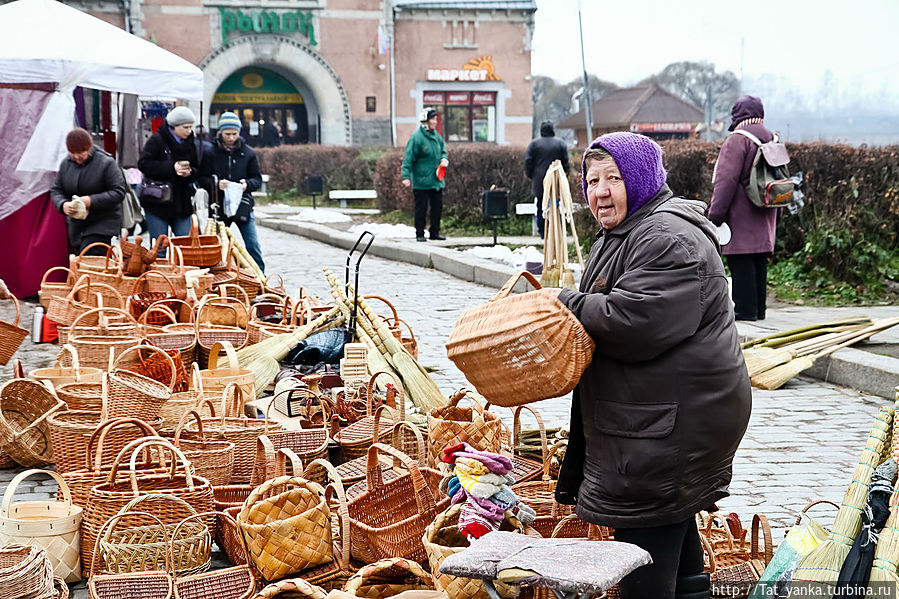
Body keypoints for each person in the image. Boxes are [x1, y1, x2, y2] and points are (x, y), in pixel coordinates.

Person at [550, 132, 751, 599]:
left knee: (645, 538)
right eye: (592, 179)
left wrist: (562, 302)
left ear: (639, 180)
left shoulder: (666, 238)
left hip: (671, 423)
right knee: (671, 522)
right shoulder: (630, 229)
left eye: (614, 178)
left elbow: (632, 322)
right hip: (664, 412)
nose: (599, 191)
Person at [708, 95, 779, 321]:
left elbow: (725, 180)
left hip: (742, 214)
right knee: (759, 259)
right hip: (767, 210)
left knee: (741, 259)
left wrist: (716, 214)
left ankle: (745, 311)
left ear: (738, 114)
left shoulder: (738, 140)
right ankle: (759, 310)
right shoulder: (772, 137)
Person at [200, 112, 265, 272]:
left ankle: (260, 276)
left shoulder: (248, 152)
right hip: (218, 206)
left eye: (234, 134)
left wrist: (246, 185)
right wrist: (215, 184)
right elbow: (201, 178)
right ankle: (217, 276)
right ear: (220, 132)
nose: (231, 137)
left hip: (243, 205)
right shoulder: (210, 151)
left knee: (252, 245)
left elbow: (257, 179)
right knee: (217, 245)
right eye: (227, 134)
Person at [50, 127, 127, 255]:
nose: (77, 157)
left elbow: (118, 192)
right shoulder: (66, 164)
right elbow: (57, 190)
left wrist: (90, 201)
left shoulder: (106, 163)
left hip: (102, 224)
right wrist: (62, 204)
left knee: (90, 260)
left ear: (89, 148)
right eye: (72, 153)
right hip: (77, 226)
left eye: (81, 153)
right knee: (83, 264)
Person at [137, 105, 202, 240]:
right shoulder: (157, 140)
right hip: (157, 202)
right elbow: (144, 164)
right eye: (185, 127)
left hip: (182, 203)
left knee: (185, 245)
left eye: (190, 127)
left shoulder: (191, 143)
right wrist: (171, 168)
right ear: (174, 126)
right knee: (159, 248)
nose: (189, 131)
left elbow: (197, 169)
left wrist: (189, 173)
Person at [401, 108, 449, 242]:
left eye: (435, 119)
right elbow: (408, 158)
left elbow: (443, 151)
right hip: (421, 182)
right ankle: (420, 233)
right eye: (432, 119)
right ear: (425, 121)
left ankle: (435, 232)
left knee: (437, 208)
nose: (435, 121)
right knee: (421, 209)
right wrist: (405, 176)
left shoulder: (437, 136)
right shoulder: (416, 138)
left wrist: (444, 159)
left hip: (436, 180)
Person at [524, 120, 570, 238]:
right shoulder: (560, 143)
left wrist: (531, 175)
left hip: (539, 179)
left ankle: (543, 231)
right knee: (557, 205)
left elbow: (528, 161)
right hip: (556, 179)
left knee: (541, 206)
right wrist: (564, 175)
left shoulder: (534, 144)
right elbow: (565, 162)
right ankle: (557, 230)